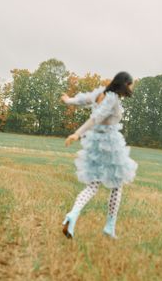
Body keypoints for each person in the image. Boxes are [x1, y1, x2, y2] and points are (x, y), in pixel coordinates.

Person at [60, 71, 138, 239]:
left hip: (94, 144)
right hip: (110, 145)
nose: (132, 88)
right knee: (117, 185)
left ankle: (72, 214)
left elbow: (83, 100)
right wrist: (77, 133)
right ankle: (109, 227)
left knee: (93, 185)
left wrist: (68, 101)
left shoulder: (100, 94)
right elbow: (95, 118)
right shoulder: (111, 99)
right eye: (131, 84)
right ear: (125, 84)